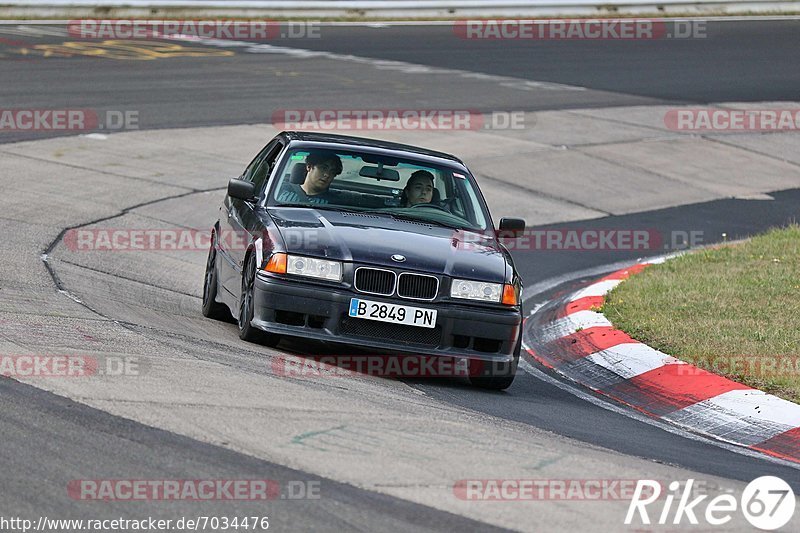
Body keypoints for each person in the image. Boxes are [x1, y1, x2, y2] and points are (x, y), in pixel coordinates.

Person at [277, 151, 343, 205]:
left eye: (332, 172)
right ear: (309, 167)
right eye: (323, 168)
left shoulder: (334, 202)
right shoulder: (280, 190)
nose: (327, 175)